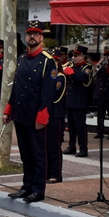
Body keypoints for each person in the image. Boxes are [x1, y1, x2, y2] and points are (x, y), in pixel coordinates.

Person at [4, 21, 56, 204]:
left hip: (36, 116)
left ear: (41, 37)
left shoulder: (47, 61)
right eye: (29, 34)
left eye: (36, 33)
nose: (32, 37)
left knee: (38, 154)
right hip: (21, 113)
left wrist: (43, 114)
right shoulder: (22, 58)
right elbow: (16, 86)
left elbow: (48, 92)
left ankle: (37, 189)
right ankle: (26, 186)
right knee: (25, 153)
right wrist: (9, 109)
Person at [63, 45, 92, 158]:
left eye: (75, 56)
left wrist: (71, 72)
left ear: (82, 56)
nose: (73, 58)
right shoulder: (73, 66)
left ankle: (83, 149)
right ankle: (71, 147)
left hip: (79, 101)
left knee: (80, 126)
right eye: (73, 55)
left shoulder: (87, 67)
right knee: (71, 126)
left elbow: (83, 79)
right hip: (70, 100)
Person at [47, 50, 67, 184]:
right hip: (47, 113)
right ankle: (47, 172)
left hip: (56, 114)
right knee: (46, 146)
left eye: (54, 60)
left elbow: (54, 93)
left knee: (54, 146)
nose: (52, 62)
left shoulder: (60, 77)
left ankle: (56, 174)